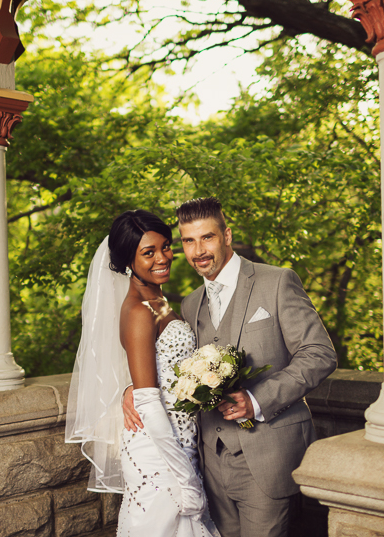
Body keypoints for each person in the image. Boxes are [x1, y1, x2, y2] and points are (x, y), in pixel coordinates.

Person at [123, 198, 337, 537]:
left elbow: (320, 354)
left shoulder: (277, 282)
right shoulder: (191, 303)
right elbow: (170, 364)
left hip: (267, 457)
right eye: (188, 241)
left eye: (206, 237)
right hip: (208, 463)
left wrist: (256, 400)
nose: (198, 251)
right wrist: (132, 388)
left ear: (227, 236)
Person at [65, 210, 220, 537]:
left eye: (165, 246)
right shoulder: (138, 309)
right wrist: (186, 479)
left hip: (178, 442)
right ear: (126, 262)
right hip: (157, 451)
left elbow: (156, 369)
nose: (163, 258)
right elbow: (149, 403)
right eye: (148, 253)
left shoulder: (157, 298)